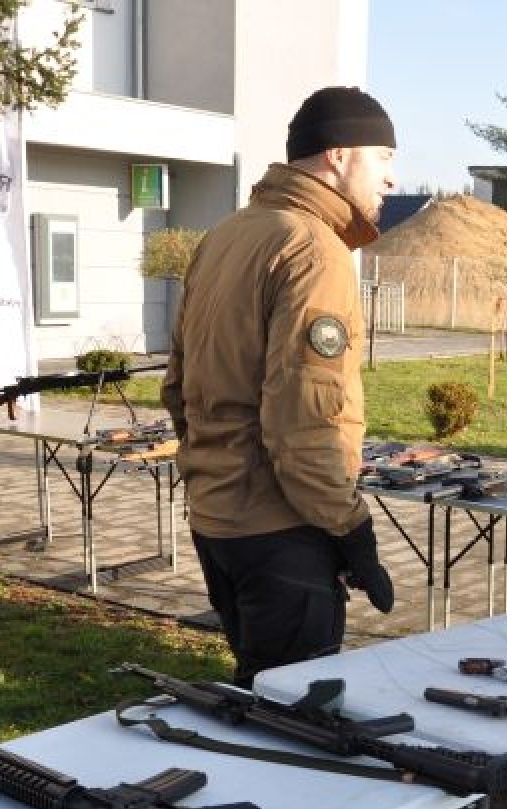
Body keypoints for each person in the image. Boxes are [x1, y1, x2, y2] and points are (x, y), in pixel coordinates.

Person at [162, 86, 399, 687]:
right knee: (293, 726)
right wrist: (351, 530)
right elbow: (304, 421)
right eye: (385, 159)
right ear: (340, 156)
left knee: (253, 700)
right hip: (281, 530)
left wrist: (210, 472)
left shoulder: (226, 235)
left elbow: (177, 386)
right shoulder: (312, 248)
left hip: (217, 523)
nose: (393, 180)